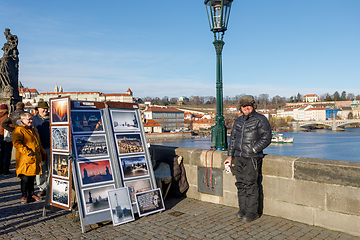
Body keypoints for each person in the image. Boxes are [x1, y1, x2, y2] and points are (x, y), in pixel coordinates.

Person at [224, 95, 272, 223]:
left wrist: (254, 149)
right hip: (239, 157)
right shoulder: (238, 121)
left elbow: (266, 138)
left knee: (251, 185)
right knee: (240, 184)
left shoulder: (260, 119)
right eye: (244, 106)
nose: (246, 108)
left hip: (252, 158)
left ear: (253, 106)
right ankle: (243, 209)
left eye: (248, 105)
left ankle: (252, 212)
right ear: (240, 108)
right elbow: (233, 140)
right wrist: (229, 156)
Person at [12, 112, 46, 203]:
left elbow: (38, 144)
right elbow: (17, 143)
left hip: (34, 158)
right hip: (25, 158)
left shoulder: (33, 130)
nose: (30, 121)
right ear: (22, 120)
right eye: (28, 119)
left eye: (31, 119)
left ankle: (32, 193)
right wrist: (27, 152)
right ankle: (24, 195)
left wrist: (43, 153)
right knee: (25, 178)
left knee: (32, 178)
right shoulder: (19, 130)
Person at [32, 101, 50, 198]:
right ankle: (41, 188)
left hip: (51, 147)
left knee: (51, 169)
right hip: (39, 148)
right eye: (43, 108)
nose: (45, 110)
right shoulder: (33, 119)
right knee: (41, 170)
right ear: (38, 109)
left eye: (46, 108)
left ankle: (52, 187)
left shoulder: (51, 118)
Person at [0, 104, 13, 175]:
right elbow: (11, 126)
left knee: (0, 154)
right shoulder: (7, 116)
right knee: (7, 154)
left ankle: (0, 170)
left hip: (0, 137)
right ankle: (6, 170)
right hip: (6, 137)